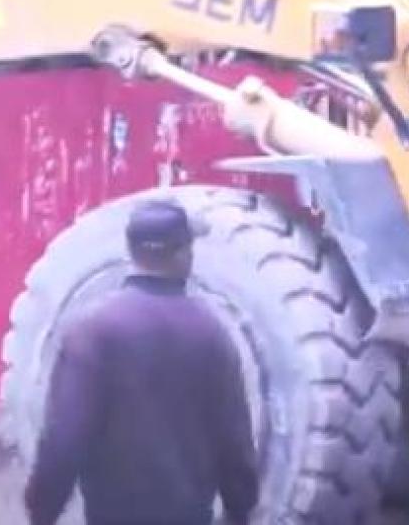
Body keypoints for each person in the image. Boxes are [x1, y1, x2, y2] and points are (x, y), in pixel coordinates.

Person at [24, 198, 259, 525]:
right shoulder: (212, 335)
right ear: (183, 254)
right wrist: (238, 510)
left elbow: (63, 439)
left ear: (132, 252)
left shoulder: (93, 330)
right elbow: (235, 443)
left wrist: (42, 513)